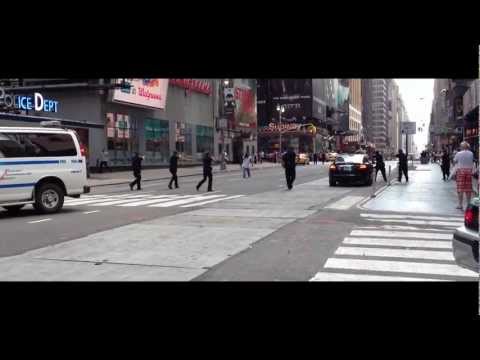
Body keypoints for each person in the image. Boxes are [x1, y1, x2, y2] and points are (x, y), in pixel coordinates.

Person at [453, 141, 474, 210]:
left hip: (460, 171)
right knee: (468, 189)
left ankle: (460, 204)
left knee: (460, 189)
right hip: (469, 171)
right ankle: (468, 204)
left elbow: (454, 161)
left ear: (462, 147)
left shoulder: (458, 153)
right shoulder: (471, 153)